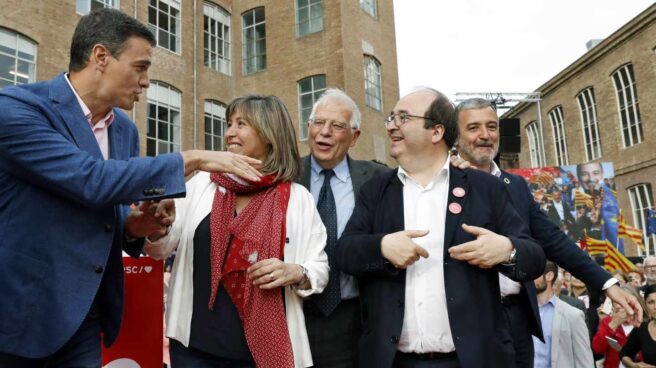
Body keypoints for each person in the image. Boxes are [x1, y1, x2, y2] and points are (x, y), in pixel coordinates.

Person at [0, 9, 262, 367]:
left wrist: (140, 225)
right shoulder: (18, 110)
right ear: (101, 57)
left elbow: (111, 214)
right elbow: (90, 180)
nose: (146, 82)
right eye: (140, 67)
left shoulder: (124, 130)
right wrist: (192, 160)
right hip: (20, 316)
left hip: (87, 319)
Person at [335, 88, 546, 368]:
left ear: (436, 132)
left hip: (471, 360)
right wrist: (382, 247)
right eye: (391, 117)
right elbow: (345, 252)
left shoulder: (485, 189)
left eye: (404, 117)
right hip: (393, 361)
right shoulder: (376, 190)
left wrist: (506, 251)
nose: (392, 125)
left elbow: (534, 258)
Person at [453, 97, 642, 367]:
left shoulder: (515, 185)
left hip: (517, 320)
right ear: (455, 137)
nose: (485, 135)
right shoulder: (443, 180)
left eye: (492, 126)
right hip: (465, 320)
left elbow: (555, 241)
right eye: (473, 128)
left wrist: (608, 284)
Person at [143, 94, 329, 368]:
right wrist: (159, 226)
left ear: (269, 134)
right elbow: (161, 249)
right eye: (229, 123)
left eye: (241, 123)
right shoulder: (202, 183)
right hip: (194, 349)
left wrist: (296, 272)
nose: (230, 132)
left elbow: (319, 268)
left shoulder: (298, 198)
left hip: (261, 356)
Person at [298, 88, 389, 367]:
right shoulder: (285, 175)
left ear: (355, 136)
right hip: (295, 313)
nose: (324, 132)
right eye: (318, 123)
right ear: (308, 127)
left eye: (337, 126)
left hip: (356, 319)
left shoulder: (378, 179)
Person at [532, 261, 593, 368]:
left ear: (549, 276)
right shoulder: (519, 311)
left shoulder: (573, 315)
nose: (528, 278)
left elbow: (584, 362)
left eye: (534, 274)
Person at [593, 286, 647, 368]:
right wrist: (613, 325)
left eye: (622, 302)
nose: (618, 306)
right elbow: (598, 349)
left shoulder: (645, 324)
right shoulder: (607, 321)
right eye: (614, 302)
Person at [620, 284, 656, 368]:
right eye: (651, 302)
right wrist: (633, 365)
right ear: (645, 305)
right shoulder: (642, 328)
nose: (655, 307)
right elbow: (624, 354)